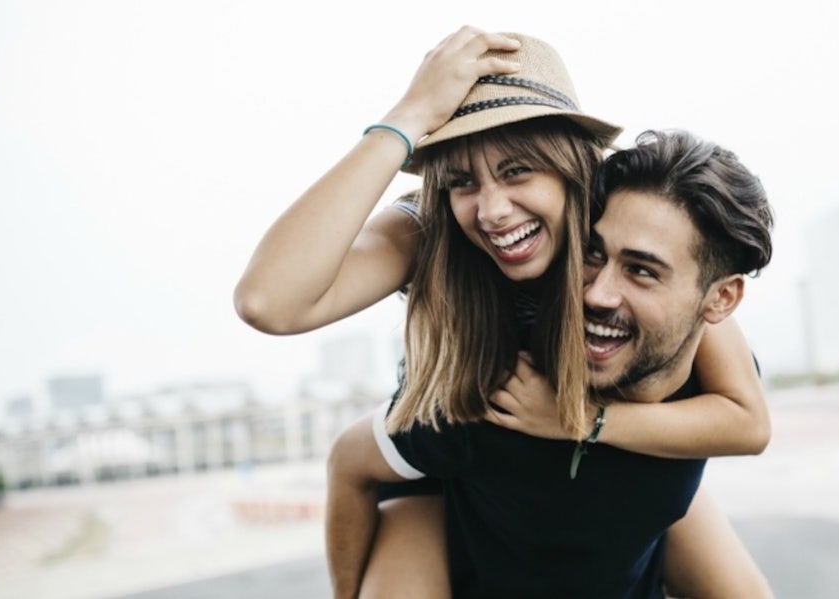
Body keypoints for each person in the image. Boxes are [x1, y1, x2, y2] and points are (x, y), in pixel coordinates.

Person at [233, 27, 770, 598]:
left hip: (623, 487)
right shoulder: (435, 233)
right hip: (454, 475)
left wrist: (580, 422)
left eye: (518, 170)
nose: (492, 211)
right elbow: (270, 302)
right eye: (463, 180)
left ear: (577, 172)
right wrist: (407, 119)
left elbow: (747, 419)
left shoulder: (629, 245)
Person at [367, 127, 775, 596]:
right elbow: (349, 460)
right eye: (593, 254)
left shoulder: (695, 341)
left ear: (719, 300)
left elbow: (750, 425)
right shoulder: (499, 392)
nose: (599, 293)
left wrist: (582, 421)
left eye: (642, 271)